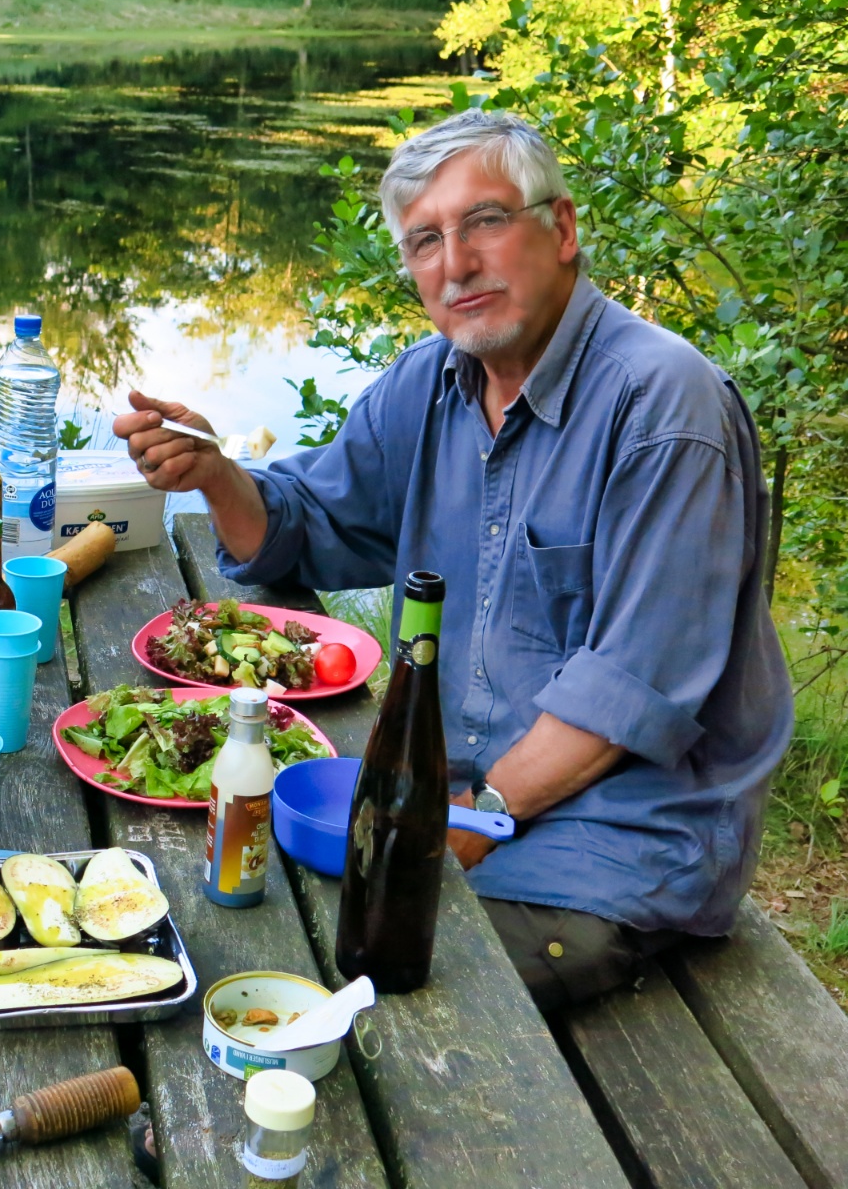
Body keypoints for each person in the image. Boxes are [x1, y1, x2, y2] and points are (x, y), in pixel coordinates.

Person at [115, 110, 793, 1011]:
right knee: (220, 902)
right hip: (451, 795)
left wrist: (448, 825)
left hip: (605, 851)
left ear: (561, 229)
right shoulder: (431, 382)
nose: (456, 264)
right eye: (425, 240)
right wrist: (217, 474)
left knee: (361, 989)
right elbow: (308, 525)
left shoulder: (663, 407)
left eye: (484, 222)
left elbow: (630, 694)